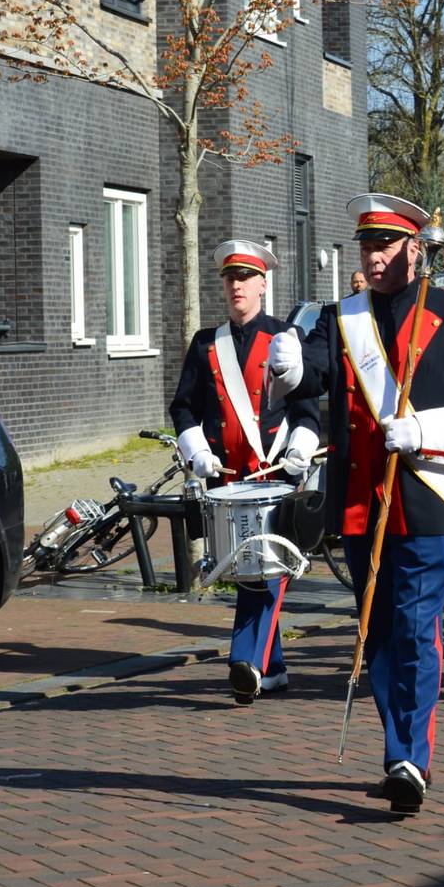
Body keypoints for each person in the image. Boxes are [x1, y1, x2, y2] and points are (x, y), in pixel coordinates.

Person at [269, 193, 444, 815]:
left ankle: (410, 758)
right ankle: (397, 745)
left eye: (384, 245)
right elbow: (317, 372)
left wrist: (427, 430)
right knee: (375, 633)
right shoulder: (341, 317)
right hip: (359, 500)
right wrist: (292, 369)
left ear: (413, 249)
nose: (372, 258)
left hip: (424, 497)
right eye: (365, 246)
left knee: (414, 626)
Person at [170, 240, 320, 704]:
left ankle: (244, 660)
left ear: (262, 284)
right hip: (226, 478)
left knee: (265, 571)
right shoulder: (203, 343)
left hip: (272, 473)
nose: (236, 286)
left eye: (245, 278)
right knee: (245, 571)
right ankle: (271, 668)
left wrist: (300, 446)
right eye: (229, 278)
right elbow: (183, 407)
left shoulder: (285, 338)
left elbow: (308, 409)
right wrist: (196, 451)